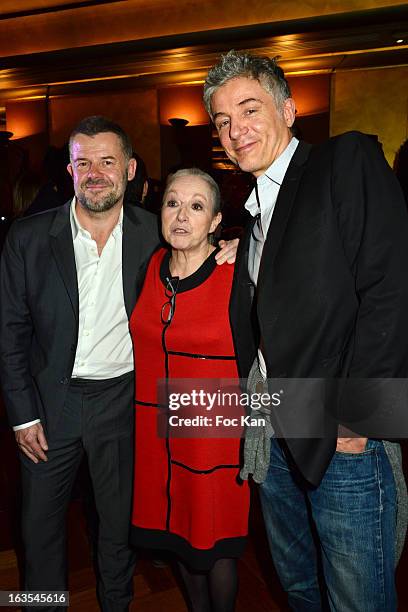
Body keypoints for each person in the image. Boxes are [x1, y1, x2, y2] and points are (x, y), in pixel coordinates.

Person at [0, 115, 237, 612]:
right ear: (69, 170)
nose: (95, 172)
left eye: (108, 161)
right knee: (38, 532)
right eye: (84, 162)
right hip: (49, 406)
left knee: (118, 532)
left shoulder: (159, 233)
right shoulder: (27, 238)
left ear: (129, 169)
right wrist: (22, 415)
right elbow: (11, 334)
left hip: (124, 404)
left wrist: (237, 248)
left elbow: (204, 260)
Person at [203, 51, 408, 611]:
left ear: (289, 109)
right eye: (222, 120)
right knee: (298, 586)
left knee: (357, 599)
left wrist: (360, 415)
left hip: (337, 426)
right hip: (272, 421)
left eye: (249, 108)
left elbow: (391, 286)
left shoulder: (344, 161)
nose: (235, 128)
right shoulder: (255, 214)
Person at [130, 168, 250, 612]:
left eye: (196, 206)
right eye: (173, 203)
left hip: (212, 433)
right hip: (154, 431)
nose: (181, 216)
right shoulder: (151, 266)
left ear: (217, 220)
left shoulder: (237, 273)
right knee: (178, 537)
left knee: (213, 545)